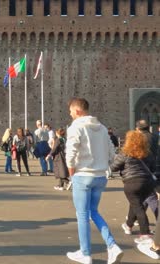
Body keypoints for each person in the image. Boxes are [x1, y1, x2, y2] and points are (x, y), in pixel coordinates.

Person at [65, 97, 123, 264]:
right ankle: (112, 246)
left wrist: (71, 174)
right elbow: (112, 153)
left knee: (82, 215)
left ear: (77, 111)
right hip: (100, 176)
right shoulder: (103, 128)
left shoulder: (76, 127)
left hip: (83, 175)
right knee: (93, 212)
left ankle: (85, 253)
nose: (70, 115)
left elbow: (71, 153)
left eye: (70, 112)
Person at [110, 130, 156, 244]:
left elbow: (113, 167)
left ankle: (145, 233)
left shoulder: (125, 153)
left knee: (138, 207)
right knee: (136, 204)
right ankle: (128, 225)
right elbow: (153, 168)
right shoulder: (148, 153)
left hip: (132, 182)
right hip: (148, 183)